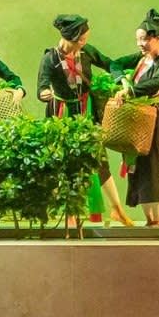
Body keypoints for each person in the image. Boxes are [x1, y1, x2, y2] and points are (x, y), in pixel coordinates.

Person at [36, 13, 131, 226]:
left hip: (87, 110)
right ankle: (70, 214)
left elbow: (109, 63)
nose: (84, 42)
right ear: (70, 37)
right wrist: (44, 93)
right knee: (67, 164)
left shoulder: (87, 52)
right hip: (62, 115)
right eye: (81, 39)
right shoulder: (50, 58)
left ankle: (116, 208)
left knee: (99, 159)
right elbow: (42, 86)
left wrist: (120, 79)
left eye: (85, 38)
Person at [122, 9, 159, 227]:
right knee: (139, 167)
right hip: (138, 119)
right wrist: (121, 80)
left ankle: (158, 221)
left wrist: (130, 90)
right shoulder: (141, 60)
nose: (140, 44)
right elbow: (114, 64)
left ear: (157, 38)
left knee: (154, 168)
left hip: (155, 118)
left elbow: (157, 83)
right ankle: (149, 221)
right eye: (138, 40)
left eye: (144, 39)